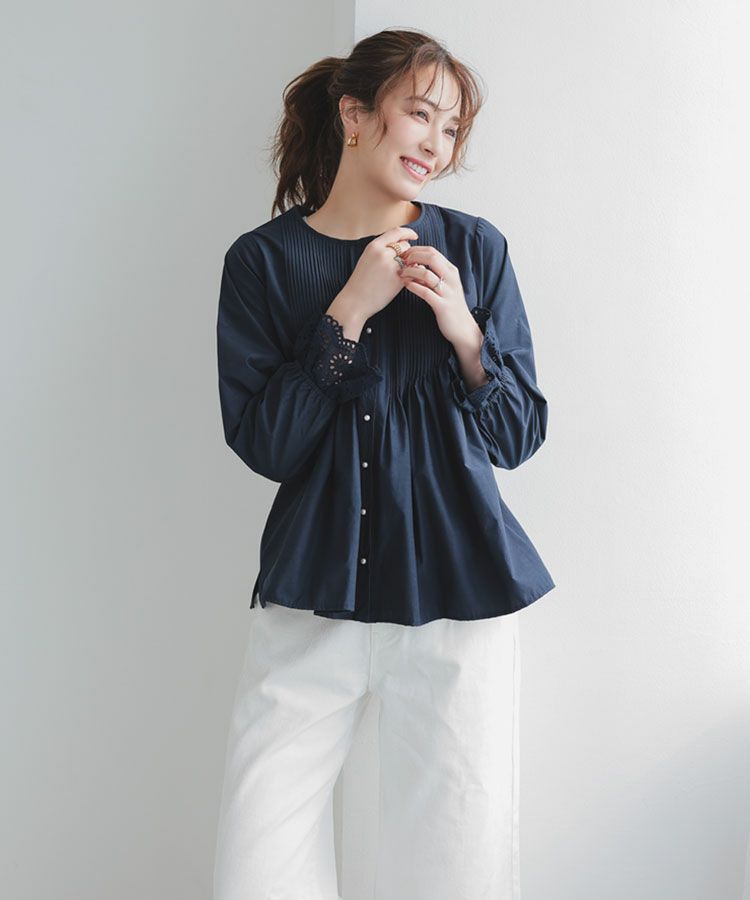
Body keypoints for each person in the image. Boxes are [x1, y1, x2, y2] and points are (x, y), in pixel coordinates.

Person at [212, 27, 555, 900]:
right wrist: (349, 313)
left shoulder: (476, 250)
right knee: (259, 856)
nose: (437, 144)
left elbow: (518, 436)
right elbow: (266, 445)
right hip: (312, 593)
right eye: (421, 114)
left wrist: (464, 333)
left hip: (457, 597)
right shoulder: (262, 261)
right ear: (355, 115)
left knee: (456, 859)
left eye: (453, 128)